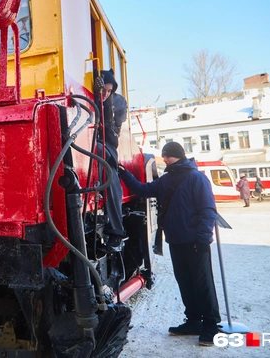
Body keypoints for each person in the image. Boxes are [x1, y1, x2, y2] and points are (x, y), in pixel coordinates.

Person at [118, 141, 221, 346]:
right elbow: (143, 189)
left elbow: (208, 210)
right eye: (163, 156)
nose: (164, 159)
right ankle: (193, 321)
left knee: (203, 284)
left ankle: (210, 325)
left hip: (195, 242)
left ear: (178, 156)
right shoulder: (167, 179)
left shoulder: (196, 178)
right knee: (185, 282)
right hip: (175, 240)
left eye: (168, 156)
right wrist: (123, 173)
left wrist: (203, 239)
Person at [95, 69, 127, 249]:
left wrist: (103, 103)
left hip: (107, 146)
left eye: (109, 91)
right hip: (89, 141)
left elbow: (111, 133)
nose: (106, 94)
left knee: (110, 173)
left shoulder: (118, 103)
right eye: (103, 91)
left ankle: (116, 230)